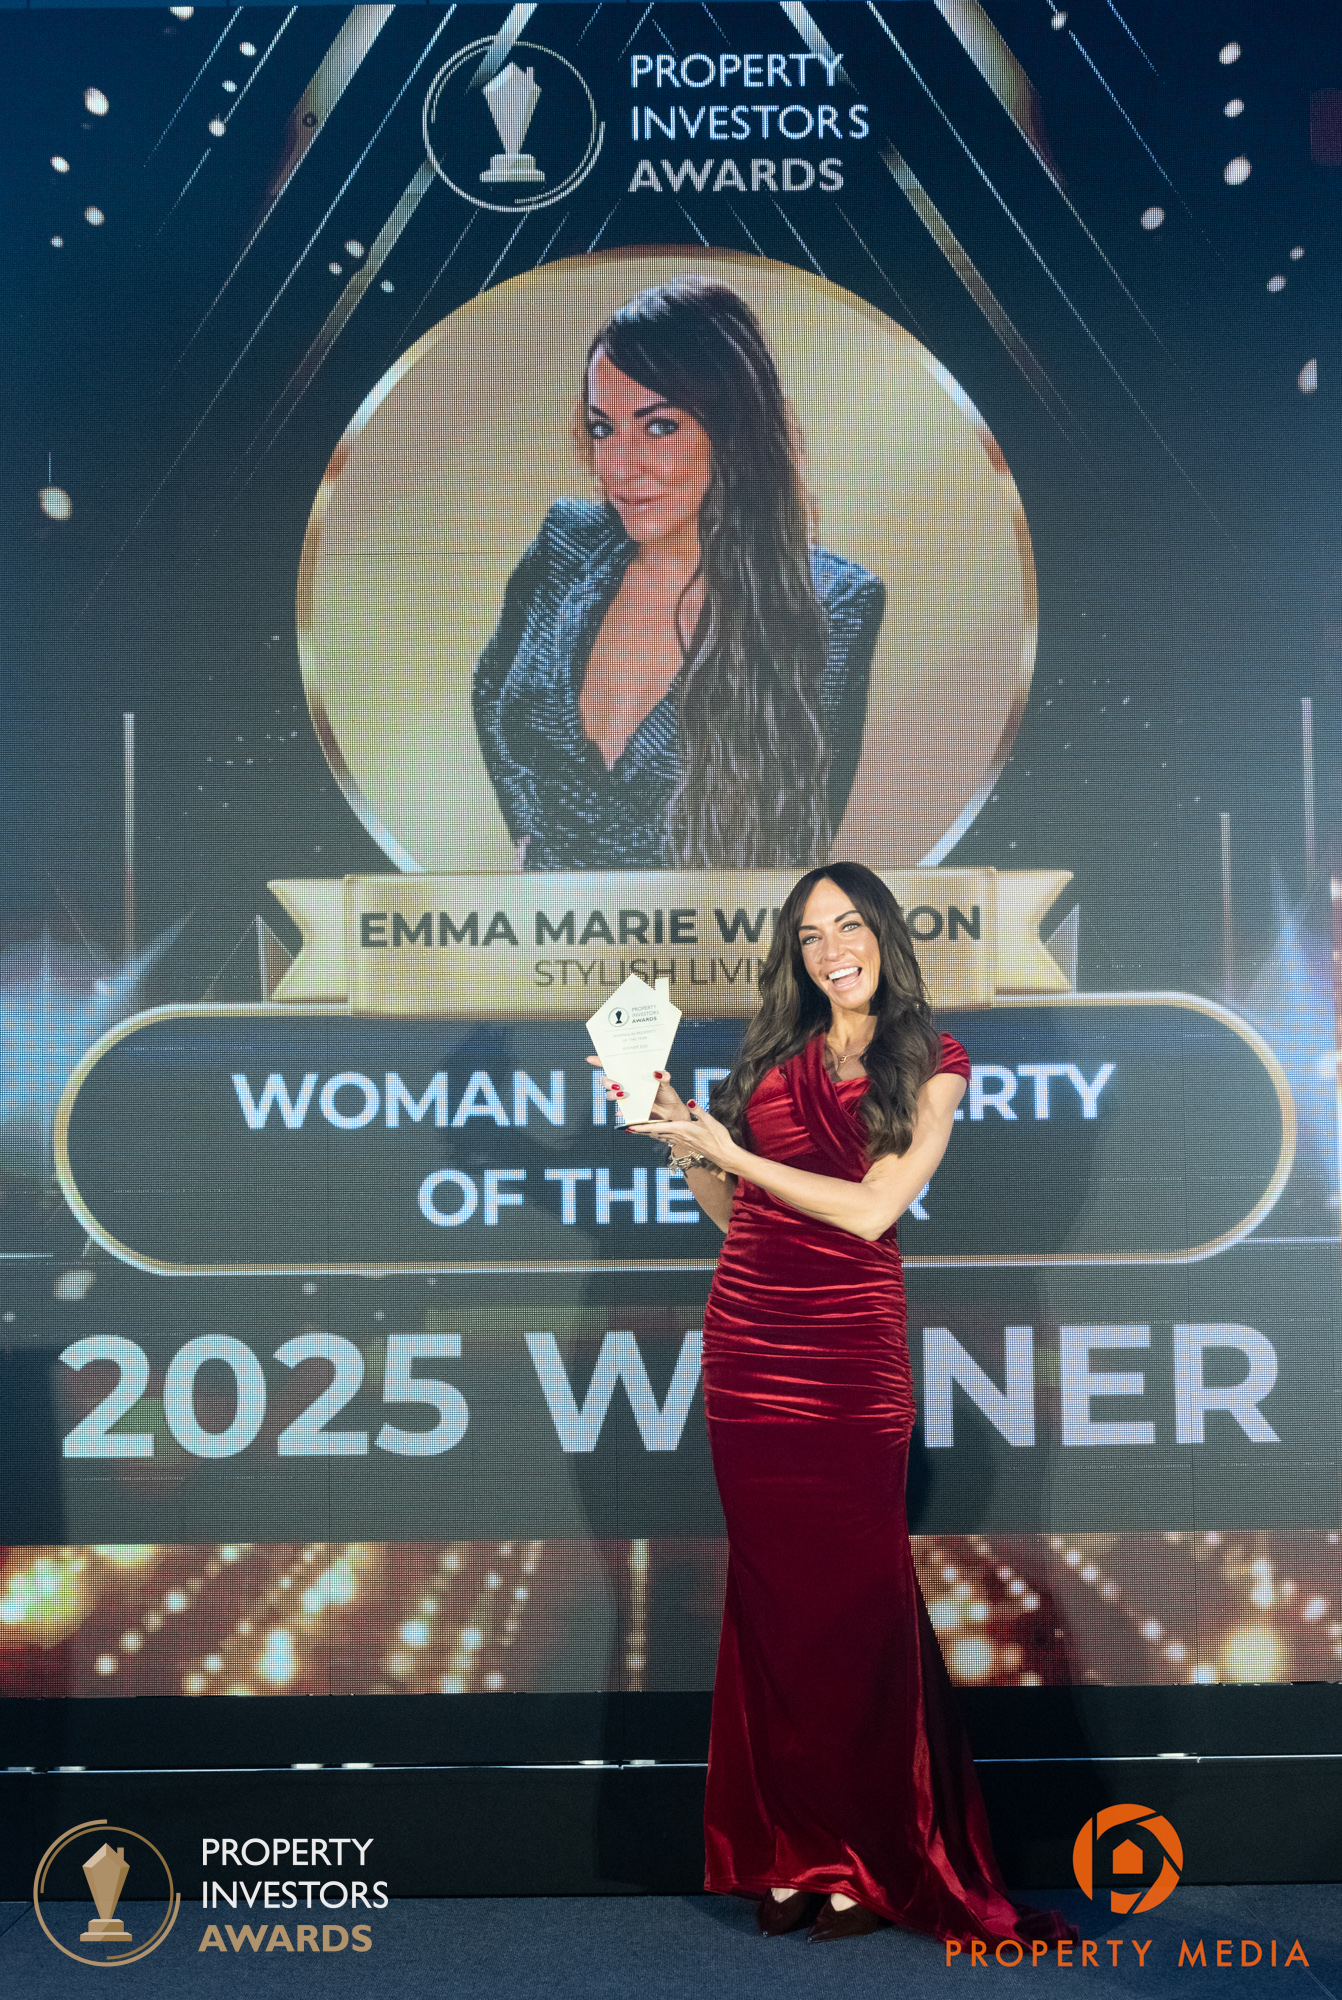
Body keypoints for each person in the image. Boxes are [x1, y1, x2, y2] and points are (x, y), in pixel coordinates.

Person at [592, 862, 1075, 1948]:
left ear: (883, 934)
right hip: (748, 1344)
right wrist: (679, 1132)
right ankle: (789, 1845)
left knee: (853, 1607)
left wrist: (730, 1149)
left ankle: (869, 1850)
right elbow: (737, 1216)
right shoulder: (774, 1056)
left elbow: (869, 1210)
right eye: (810, 935)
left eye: (847, 925)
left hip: (848, 1355)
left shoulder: (933, 1060)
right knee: (773, 1605)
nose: (830, 949)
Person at [472, 278, 885, 871]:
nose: (620, 467)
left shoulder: (833, 602)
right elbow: (491, 687)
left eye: (660, 426)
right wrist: (526, 840)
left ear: (733, 430)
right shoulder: (565, 545)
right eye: (602, 428)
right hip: (545, 925)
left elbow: (800, 837)